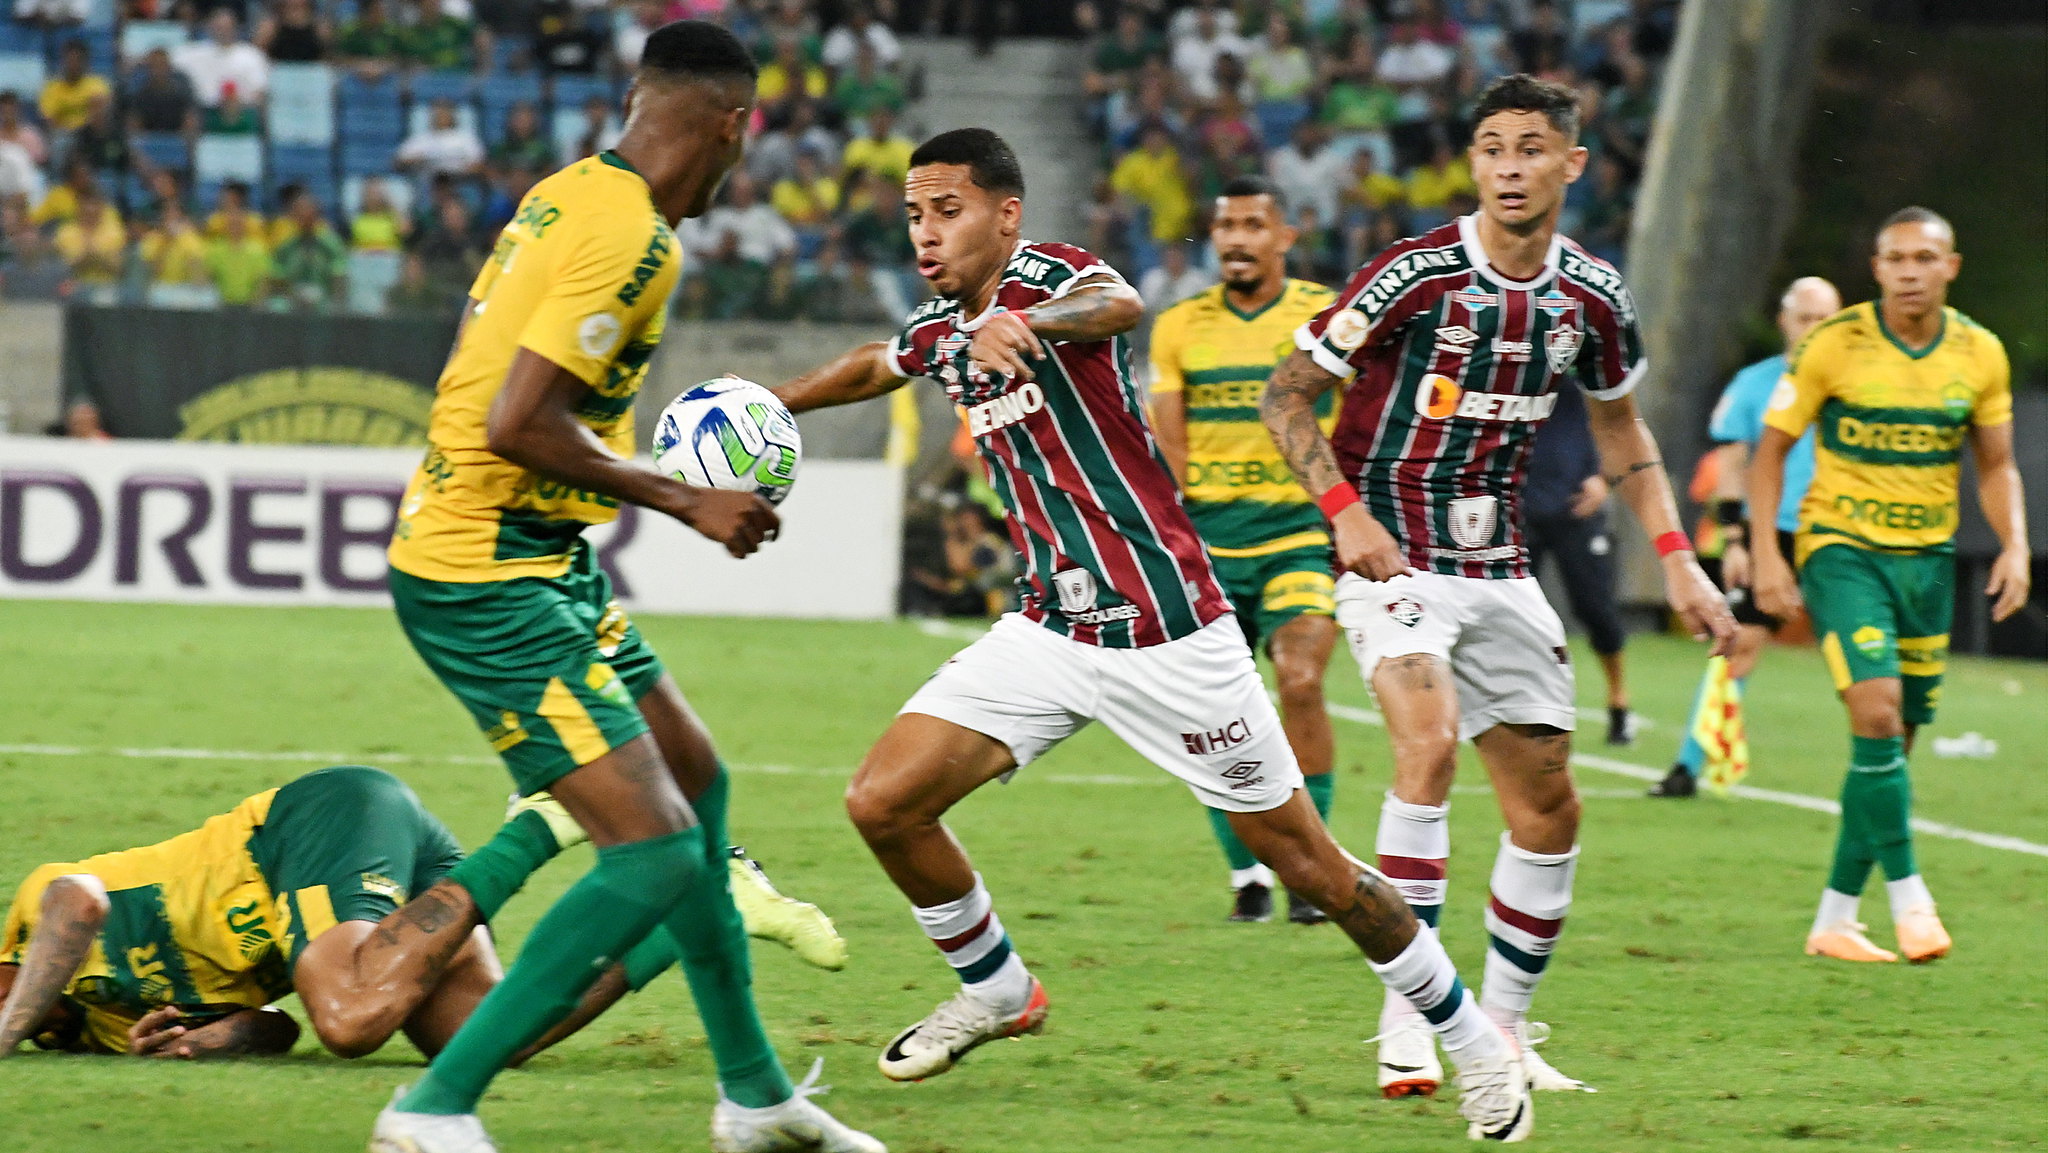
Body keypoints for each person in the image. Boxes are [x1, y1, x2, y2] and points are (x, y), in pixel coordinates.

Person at [773, 127, 1537, 1144]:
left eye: (946, 210)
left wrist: (1025, 322)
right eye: (913, 214)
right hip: (1048, 630)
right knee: (882, 802)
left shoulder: (1054, 280)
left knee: (1307, 864)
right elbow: (880, 359)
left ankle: (1477, 1047)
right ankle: (998, 988)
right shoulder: (942, 327)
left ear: (1004, 214)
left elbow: (1117, 301)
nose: (925, 232)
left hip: (1168, 635)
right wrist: (770, 403)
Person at [373, 22, 881, 1153]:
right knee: (649, 846)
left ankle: (753, 1094)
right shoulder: (632, 239)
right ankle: (432, 1108)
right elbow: (517, 422)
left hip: (541, 554)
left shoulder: (569, 194)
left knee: (698, 786)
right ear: (734, 128)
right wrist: (683, 497)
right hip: (481, 566)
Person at [1260, 73, 1734, 1101]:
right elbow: (1285, 392)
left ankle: (1507, 1030)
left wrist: (1677, 557)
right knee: (1424, 750)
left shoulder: (1592, 297)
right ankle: (1410, 1022)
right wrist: (1344, 512)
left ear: (1571, 164)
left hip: (1500, 567)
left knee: (1549, 800)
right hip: (1392, 558)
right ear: (1470, 162)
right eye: (1489, 148)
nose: (1508, 167)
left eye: (1529, 148)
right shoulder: (1411, 273)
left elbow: (1619, 426)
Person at [0, 766, 841, 1064]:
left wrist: (7, 1029)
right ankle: (698, 901)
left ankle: (544, 819)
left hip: (306, 831)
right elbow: (270, 1031)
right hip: (382, 908)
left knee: (353, 1019)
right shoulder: (89, 1030)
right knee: (490, 1039)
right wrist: (192, 1042)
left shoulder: (37, 916)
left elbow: (79, 903)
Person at [1750, 208, 2028, 965]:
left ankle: (1835, 918)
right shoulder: (1831, 345)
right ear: (1876, 269)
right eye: (1896, 258)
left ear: (1951, 266)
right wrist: (1768, 553)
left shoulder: (1980, 354)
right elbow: (1770, 453)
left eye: (1924, 258)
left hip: (1927, 565)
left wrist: (2015, 544)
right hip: (1841, 548)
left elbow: (1997, 464)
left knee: (1891, 746)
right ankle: (1912, 899)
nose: (1910, 271)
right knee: (1876, 717)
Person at [1147, 175, 1342, 924]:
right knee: (1214, 712)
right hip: (1210, 547)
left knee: (1299, 680)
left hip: (1297, 535)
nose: (1235, 237)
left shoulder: (1324, 314)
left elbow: (1349, 418)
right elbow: (1171, 438)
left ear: (1284, 237)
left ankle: (1309, 869)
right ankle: (1247, 877)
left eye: (1254, 224)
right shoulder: (1179, 325)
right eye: (1225, 224)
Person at [1650, 276, 1841, 797]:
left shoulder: (1856, 385)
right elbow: (1732, 464)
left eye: (1825, 319)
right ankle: (1688, 765)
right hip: (1773, 532)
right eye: (1806, 318)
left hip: (1845, 530)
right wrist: (1737, 539)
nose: (1815, 329)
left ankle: (1883, 770)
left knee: (1866, 653)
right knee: (1738, 645)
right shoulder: (1756, 384)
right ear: (1785, 321)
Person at [1520, 382, 1632, 745]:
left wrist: (1604, 478)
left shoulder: (1587, 375)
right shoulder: (1505, 364)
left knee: (1595, 608)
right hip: (1519, 506)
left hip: (1578, 506)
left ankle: (1619, 701)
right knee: (1512, 614)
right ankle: (1515, 705)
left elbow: (1621, 426)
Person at [39, 39, 112, 135]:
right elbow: (49, 121)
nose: (73, 65)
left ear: (85, 62)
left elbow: (100, 117)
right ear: (63, 61)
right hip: (62, 135)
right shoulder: (51, 88)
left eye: (77, 60)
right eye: (70, 60)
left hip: (90, 134)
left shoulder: (98, 85)